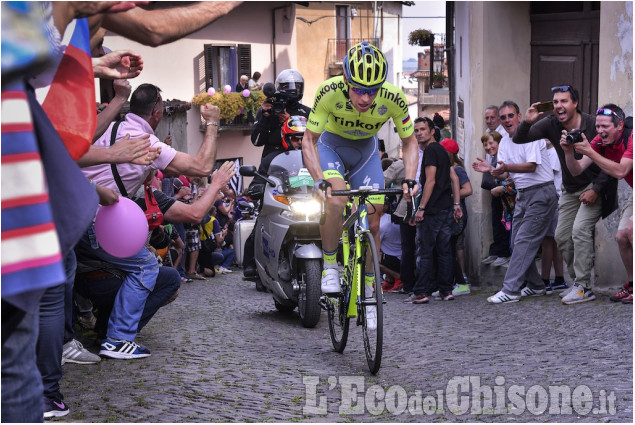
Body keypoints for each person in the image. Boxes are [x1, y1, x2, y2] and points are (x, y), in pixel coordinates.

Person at [79, 83, 227, 359]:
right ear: (157, 113)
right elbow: (202, 168)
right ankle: (117, 338)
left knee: (143, 261)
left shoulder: (105, 130)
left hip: (74, 219)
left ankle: (105, 329)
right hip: (97, 225)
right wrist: (213, 123)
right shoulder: (147, 144)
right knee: (147, 266)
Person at [513, 85, 617, 304]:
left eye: (564, 101)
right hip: (570, 189)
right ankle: (579, 282)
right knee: (562, 237)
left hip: (593, 185)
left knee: (579, 231)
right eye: (556, 101)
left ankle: (583, 287)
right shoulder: (551, 123)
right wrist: (528, 121)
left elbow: (610, 160)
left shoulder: (591, 124)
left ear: (575, 103)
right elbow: (519, 139)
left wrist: (596, 190)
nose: (559, 106)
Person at [474, 101, 558, 304]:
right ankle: (537, 286)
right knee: (515, 243)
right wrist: (491, 170)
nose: (507, 120)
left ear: (519, 117)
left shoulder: (532, 135)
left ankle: (510, 290)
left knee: (523, 242)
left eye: (510, 116)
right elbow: (505, 173)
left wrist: (504, 168)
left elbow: (530, 167)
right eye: (503, 117)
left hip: (541, 193)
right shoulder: (503, 143)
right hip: (522, 195)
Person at [562, 104, 633, 304]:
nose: (600, 131)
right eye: (598, 126)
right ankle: (632, 284)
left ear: (619, 125)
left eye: (605, 127)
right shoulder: (599, 141)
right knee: (621, 237)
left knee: (631, 232)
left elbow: (620, 172)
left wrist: (591, 153)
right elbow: (577, 169)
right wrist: (569, 152)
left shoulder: (632, 137)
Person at [403, 119, 462, 304]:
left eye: (422, 130)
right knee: (444, 251)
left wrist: (421, 208)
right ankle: (446, 290)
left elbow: (430, 181)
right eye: (416, 130)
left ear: (431, 131)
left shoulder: (430, 151)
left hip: (433, 209)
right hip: (445, 208)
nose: (419, 133)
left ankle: (421, 292)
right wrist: (456, 204)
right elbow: (454, 178)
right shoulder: (443, 151)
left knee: (425, 252)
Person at [243, 116, 308, 283]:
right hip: (284, 204)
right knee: (259, 228)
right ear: (286, 138)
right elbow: (259, 179)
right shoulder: (272, 159)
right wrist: (256, 187)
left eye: (304, 138)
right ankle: (254, 266)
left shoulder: (318, 159)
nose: (299, 143)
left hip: (310, 203)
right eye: (295, 138)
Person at [251, 69, 311, 158]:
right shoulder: (268, 109)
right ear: (279, 88)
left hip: (298, 159)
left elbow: (312, 142)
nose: (293, 90)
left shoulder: (307, 112)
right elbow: (256, 141)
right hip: (272, 162)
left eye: (297, 87)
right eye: (287, 87)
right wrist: (264, 118)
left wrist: (290, 122)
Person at [440, 138, 473, 296]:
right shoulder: (447, 168)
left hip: (457, 214)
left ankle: (461, 282)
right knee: (449, 248)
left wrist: (451, 196)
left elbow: (468, 189)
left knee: (451, 249)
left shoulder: (457, 170)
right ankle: (456, 282)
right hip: (450, 213)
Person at [478, 131, 512, 266]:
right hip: (496, 195)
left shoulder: (503, 157)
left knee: (505, 223)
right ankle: (496, 251)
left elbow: (507, 177)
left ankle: (504, 253)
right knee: (496, 222)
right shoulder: (492, 157)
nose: (488, 147)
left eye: (491, 143)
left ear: (499, 143)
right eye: (485, 144)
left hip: (507, 195)